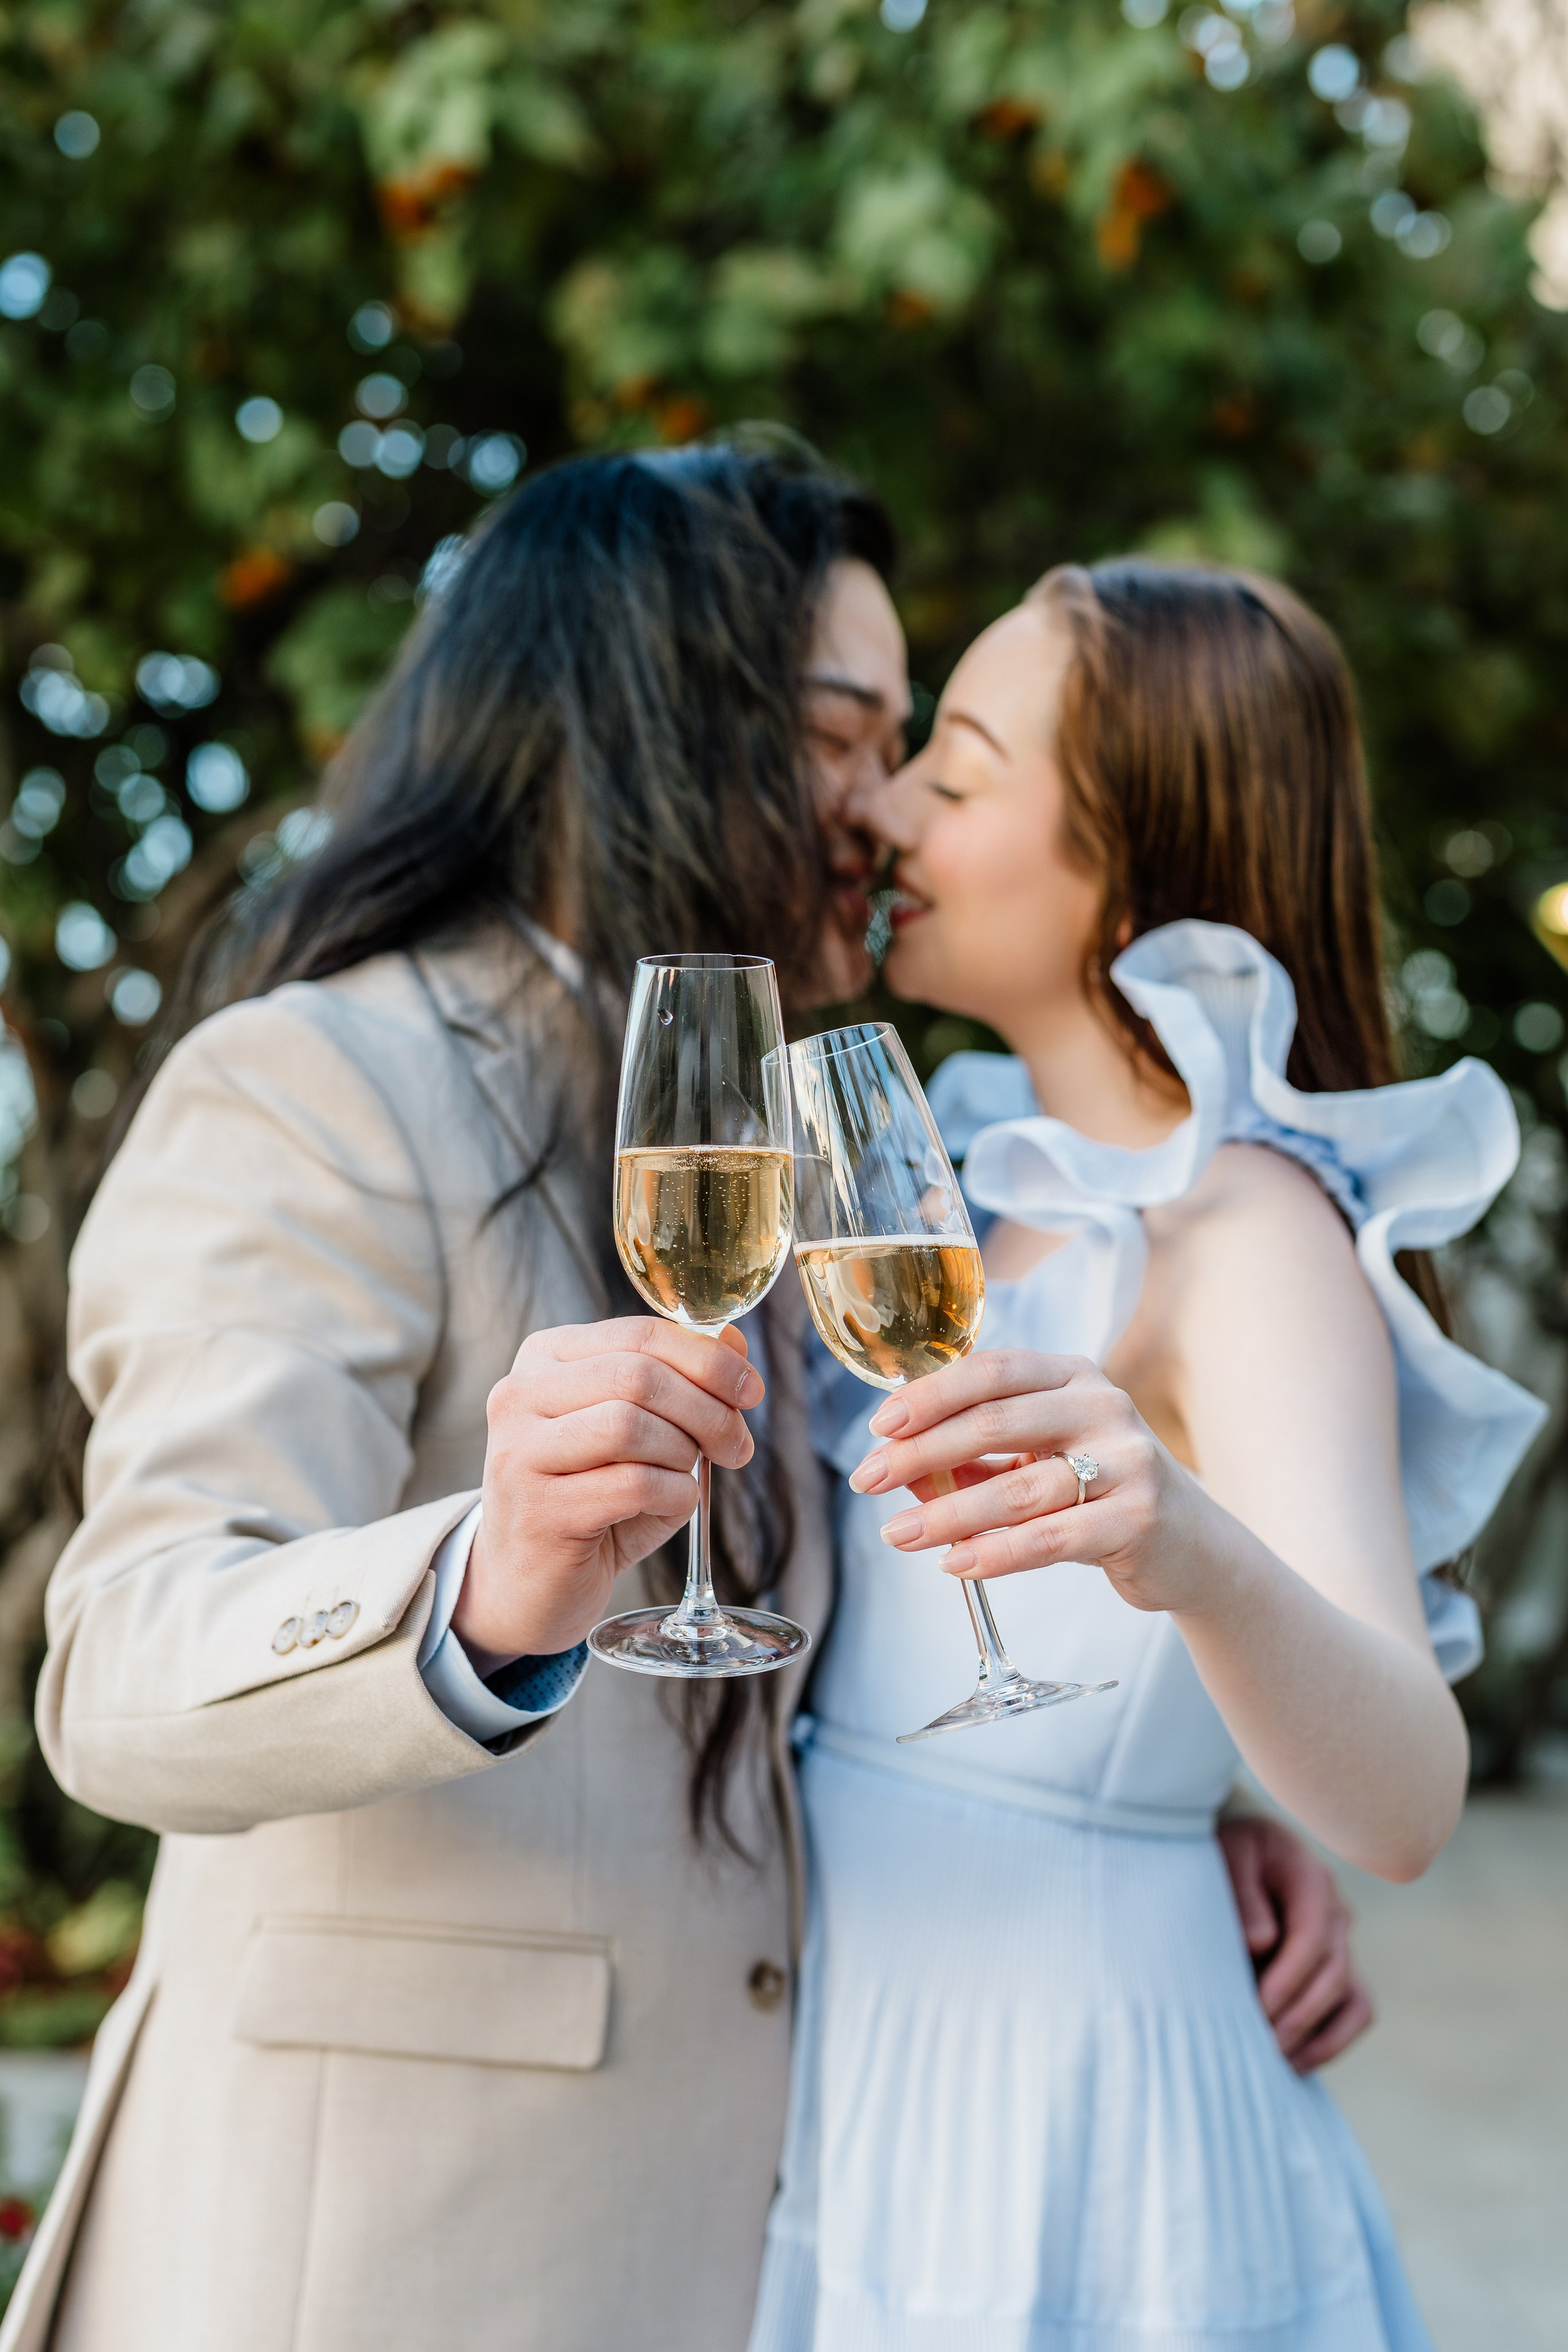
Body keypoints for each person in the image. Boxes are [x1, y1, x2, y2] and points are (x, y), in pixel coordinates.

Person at [6, 454, 1367, 2352]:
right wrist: (489, 1589)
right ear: (658, 724)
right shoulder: (317, 1080)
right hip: (377, 2265)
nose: (884, 810)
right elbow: (121, 1674)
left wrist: (1149, 1800)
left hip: (749, 2252)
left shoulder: (777, 1123)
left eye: (917, 750)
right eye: (844, 736)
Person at [748, 560, 1547, 2352]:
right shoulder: (968, 1177)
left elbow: (1412, 1796)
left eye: (953, 774)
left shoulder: (1241, 1233)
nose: (880, 809)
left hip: (1076, 2102)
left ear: (1136, 858)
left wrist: (1182, 1549)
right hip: (874, 2058)